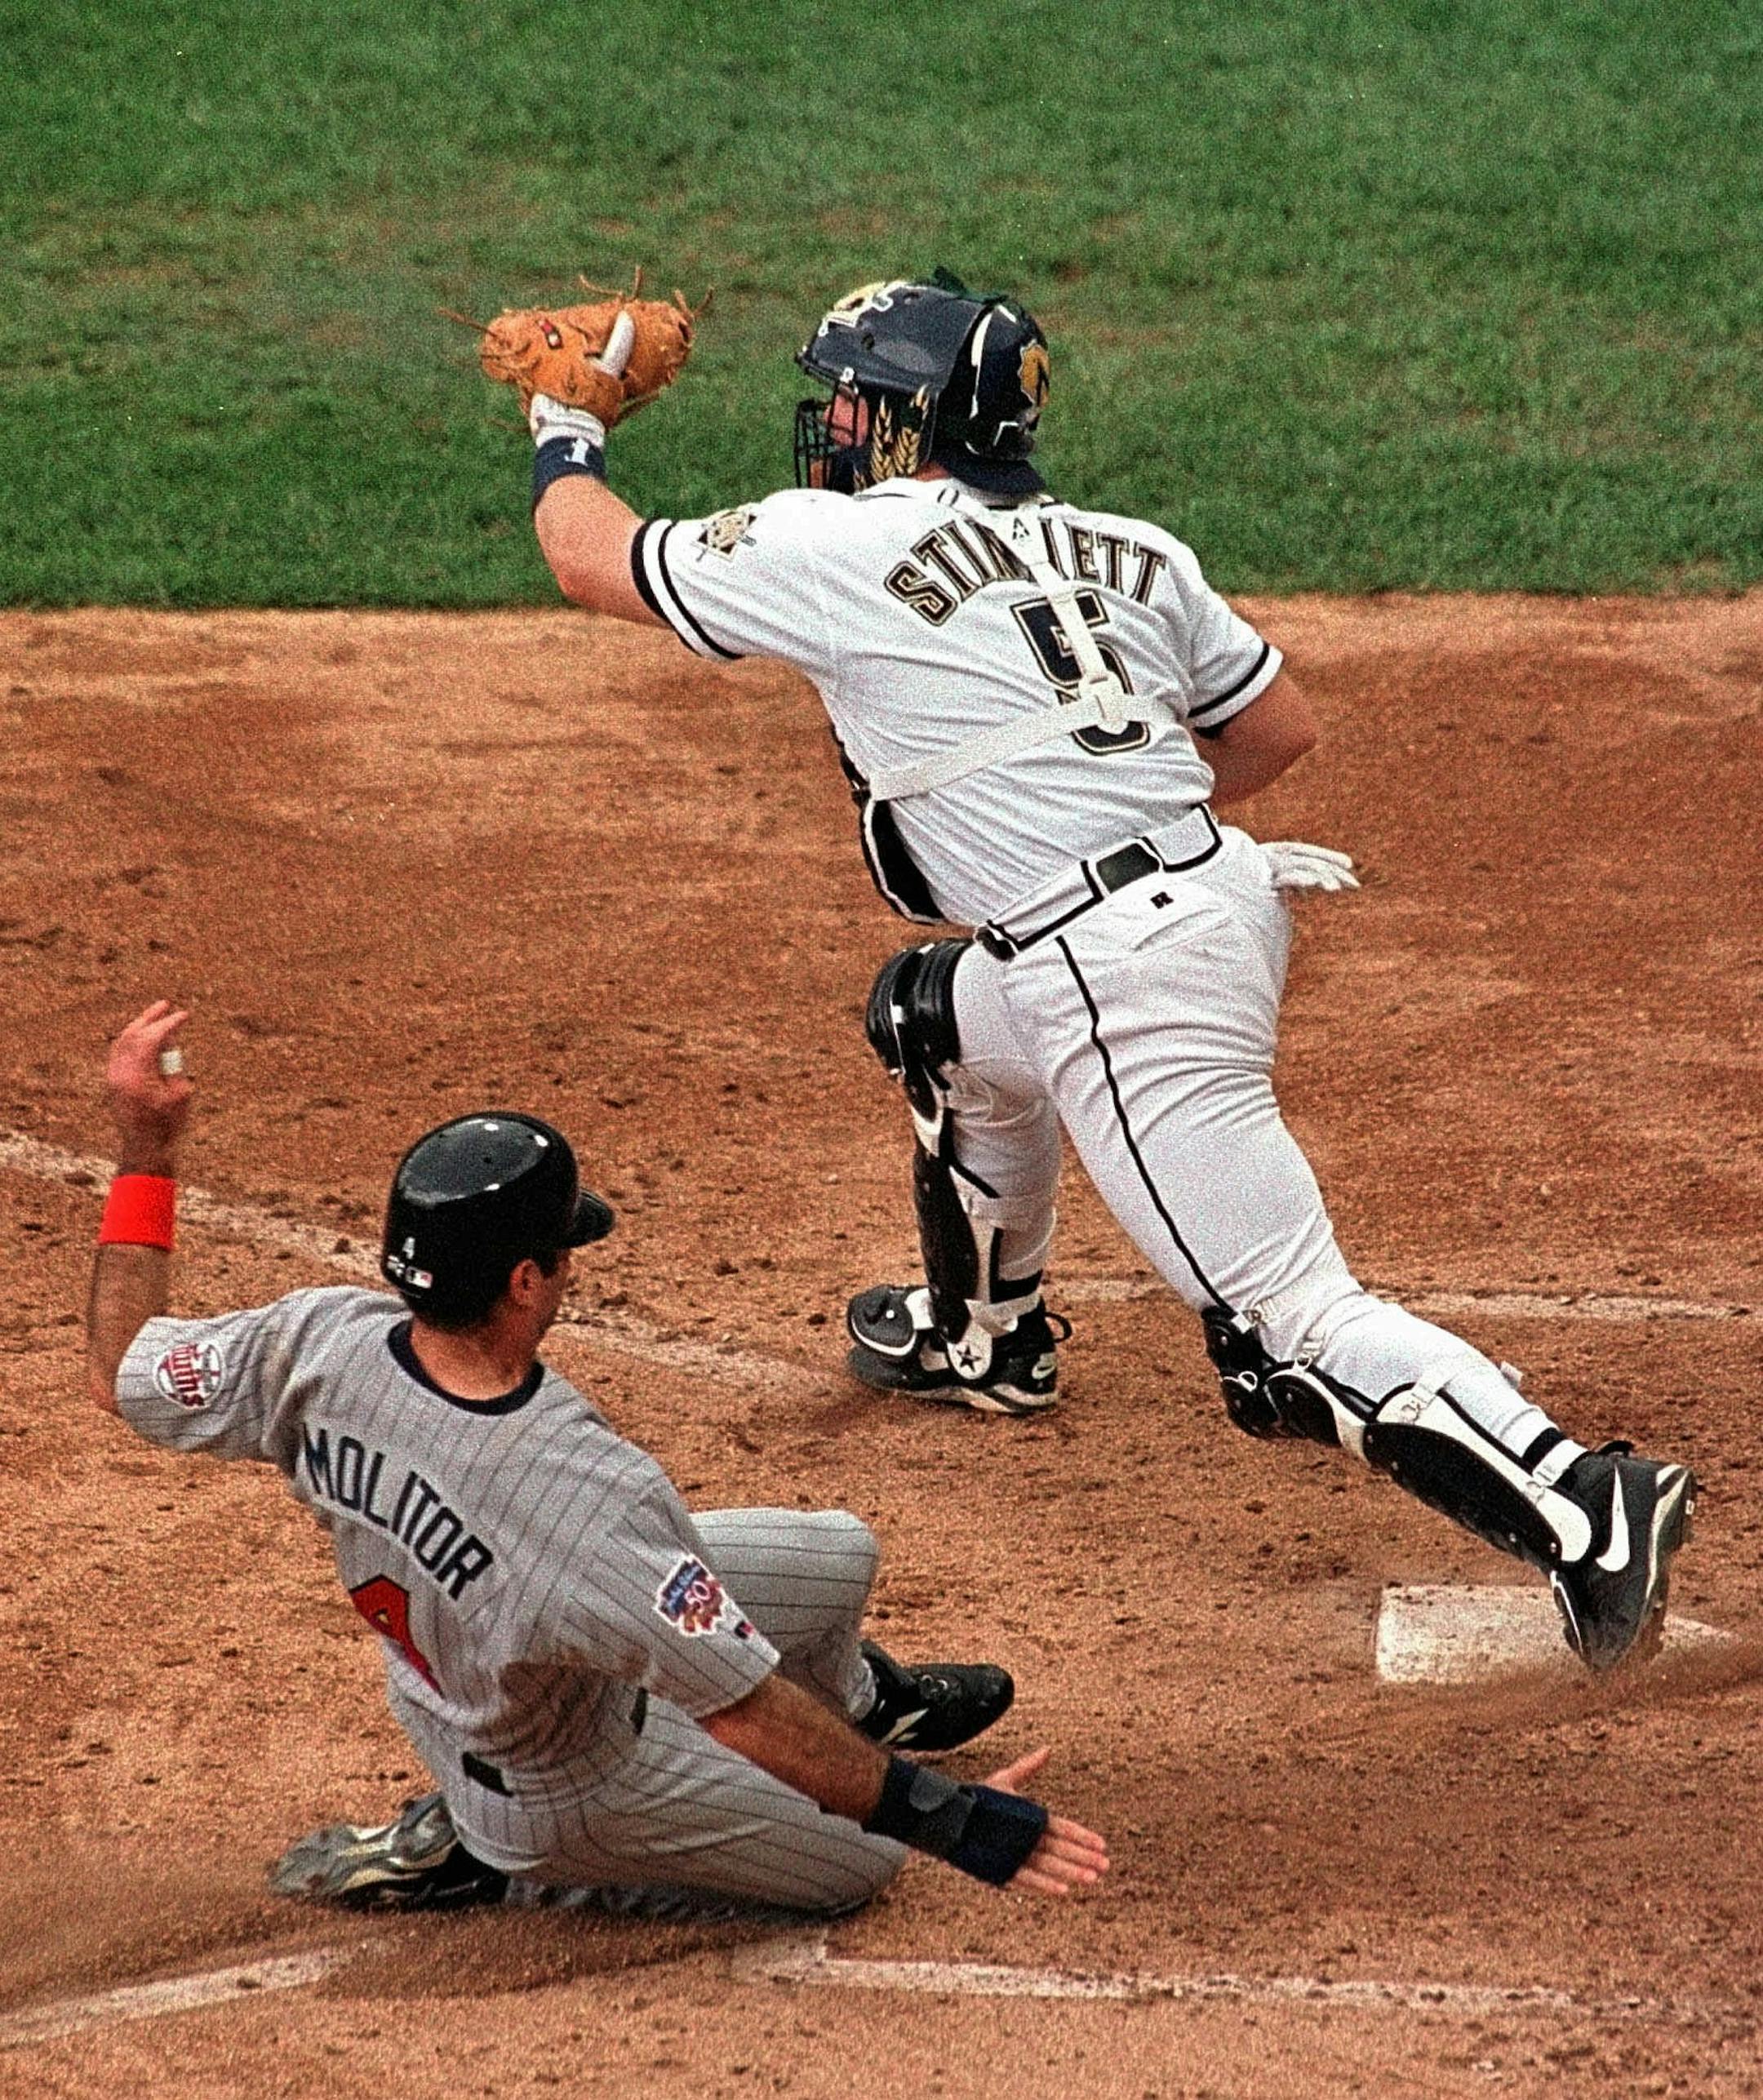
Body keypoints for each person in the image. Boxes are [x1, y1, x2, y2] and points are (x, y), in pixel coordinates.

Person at [506, 269, 1696, 1676]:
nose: (832, 421)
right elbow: (1274, 730)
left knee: (1281, 1325)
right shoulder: (1134, 546)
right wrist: (1103, 804)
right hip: (1210, 905)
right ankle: (985, 1338)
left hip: (1118, 977)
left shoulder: (834, 542)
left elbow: (593, 555)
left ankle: (1586, 1503)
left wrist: (561, 423)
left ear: (910, 420)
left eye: (852, 398)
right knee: (937, 1015)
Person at [85, 1001, 1108, 1913]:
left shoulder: (316, 1343)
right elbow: (746, 1712)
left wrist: (145, 1150)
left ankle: (855, 1702)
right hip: (562, 1777)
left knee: (836, 1557)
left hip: (465, 1659)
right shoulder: (576, 1490)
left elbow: (121, 1368)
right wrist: (957, 1820)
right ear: (526, 1280)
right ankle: (492, 1854)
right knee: (863, 1861)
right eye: (564, 1251)